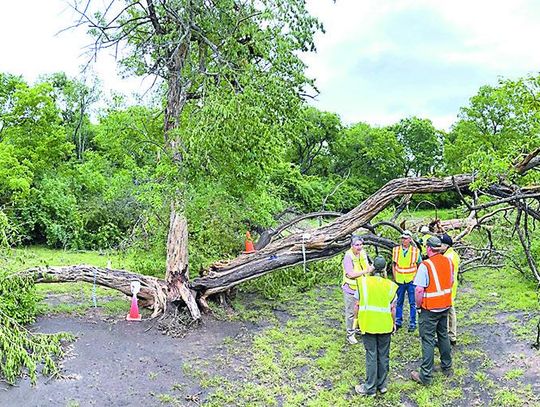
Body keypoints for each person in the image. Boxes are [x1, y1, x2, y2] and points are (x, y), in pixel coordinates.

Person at [411, 236, 454, 385]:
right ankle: (447, 367)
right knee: (443, 335)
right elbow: (451, 281)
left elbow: (418, 290)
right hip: (445, 306)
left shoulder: (425, 265)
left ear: (428, 248)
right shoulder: (448, 261)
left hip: (430, 309)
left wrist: (418, 306)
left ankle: (426, 376)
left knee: (428, 340)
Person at [354, 256, 398, 397]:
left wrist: (356, 322)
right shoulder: (390, 286)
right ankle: (382, 385)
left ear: (372, 267)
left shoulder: (363, 283)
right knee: (383, 356)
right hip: (385, 326)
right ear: (385, 268)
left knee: (371, 355)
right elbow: (393, 309)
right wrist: (393, 324)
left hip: (368, 325)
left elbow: (357, 305)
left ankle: (370, 388)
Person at [342, 236, 373, 345]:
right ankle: (350, 334)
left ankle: (359, 329)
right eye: (357, 245)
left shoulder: (363, 253)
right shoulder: (348, 256)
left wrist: (370, 269)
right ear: (352, 246)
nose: (359, 247)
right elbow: (351, 274)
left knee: (362, 309)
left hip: (363, 287)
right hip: (351, 289)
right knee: (351, 312)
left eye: (361, 244)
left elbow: (368, 267)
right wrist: (366, 270)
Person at [392, 230, 421, 332]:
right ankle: (398, 321)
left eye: (405, 238)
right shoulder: (396, 250)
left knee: (412, 303)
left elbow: (419, 264)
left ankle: (413, 323)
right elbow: (394, 264)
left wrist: (416, 277)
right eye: (402, 238)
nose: (403, 240)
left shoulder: (415, 251)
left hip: (411, 280)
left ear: (410, 239)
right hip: (400, 280)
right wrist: (395, 276)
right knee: (399, 302)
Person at [440, 233, 460, 346]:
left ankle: (451, 336)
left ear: (446, 245)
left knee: (449, 311)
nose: (439, 246)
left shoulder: (448, 257)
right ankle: (451, 335)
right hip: (451, 286)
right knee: (450, 310)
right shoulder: (452, 254)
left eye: (441, 244)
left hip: (448, 287)